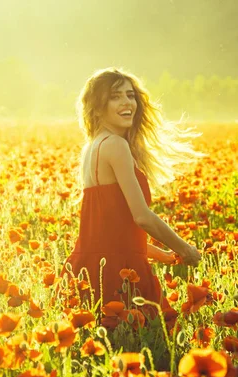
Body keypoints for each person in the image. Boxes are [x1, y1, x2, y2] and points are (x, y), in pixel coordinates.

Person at [60, 67, 202, 323]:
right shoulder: (116, 146)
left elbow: (111, 234)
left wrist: (163, 255)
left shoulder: (91, 148)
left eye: (130, 95)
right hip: (120, 275)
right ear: (97, 106)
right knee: (146, 355)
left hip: (87, 270)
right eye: (115, 96)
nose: (127, 103)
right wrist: (186, 249)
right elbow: (142, 217)